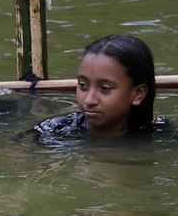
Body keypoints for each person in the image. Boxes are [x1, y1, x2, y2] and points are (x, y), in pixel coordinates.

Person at [32, 34, 162, 141]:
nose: (89, 100)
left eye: (105, 88)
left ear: (138, 94)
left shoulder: (161, 135)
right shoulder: (51, 131)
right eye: (83, 85)